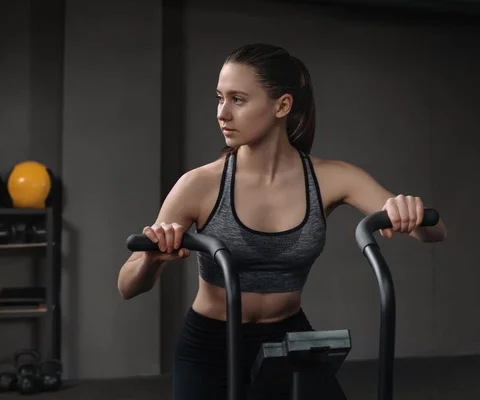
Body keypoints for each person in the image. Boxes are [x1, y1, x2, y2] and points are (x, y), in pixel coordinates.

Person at [117, 43, 448, 400]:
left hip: (289, 339)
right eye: (219, 98)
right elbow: (127, 286)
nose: (222, 113)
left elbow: (434, 233)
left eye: (238, 99)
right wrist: (151, 259)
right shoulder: (200, 184)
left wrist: (409, 211)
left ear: (282, 105)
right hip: (210, 346)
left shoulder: (332, 178)